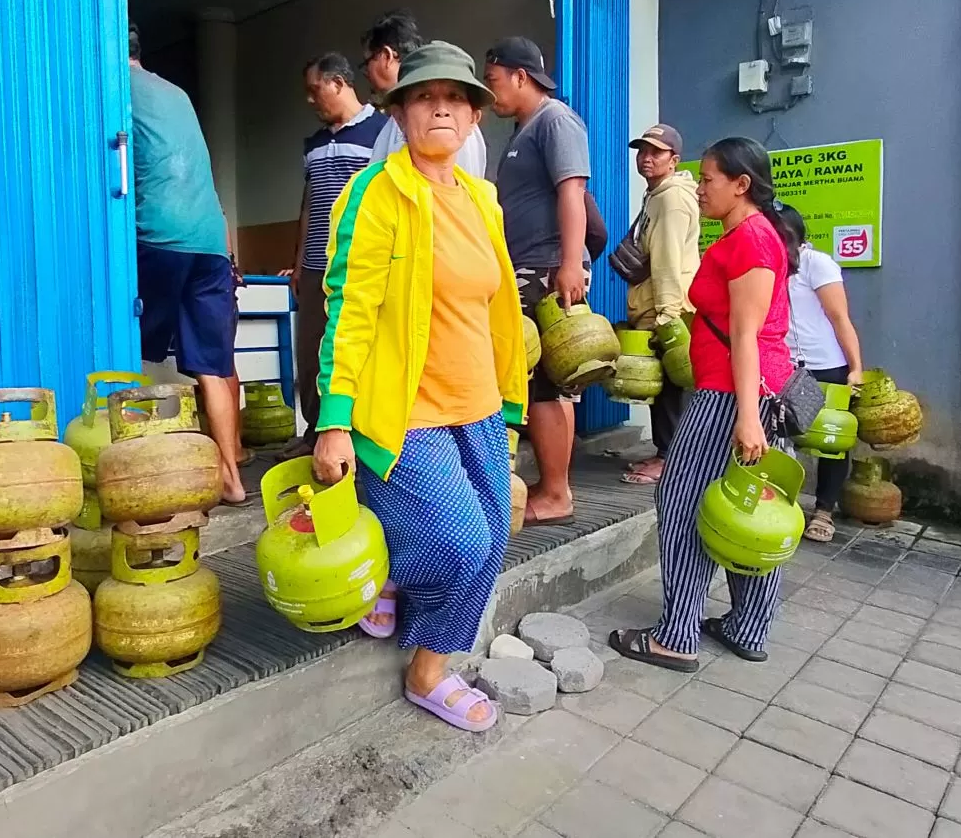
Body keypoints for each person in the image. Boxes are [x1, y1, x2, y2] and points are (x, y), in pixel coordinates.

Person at [311, 41, 527, 732]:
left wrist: (513, 402)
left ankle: (399, 579)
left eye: (459, 97)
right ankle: (428, 670)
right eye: (426, 95)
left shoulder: (483, 199)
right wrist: (334, 417)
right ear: (400, 111)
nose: (444, 106)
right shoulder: (376, 192)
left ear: (474, 119)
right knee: (462, 540)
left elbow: (497, 309)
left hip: (480, 405)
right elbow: (349, 307)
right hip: (404, 409)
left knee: (494, 537)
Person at [608, 137, 800, 671]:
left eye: (709, 178)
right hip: (747, 393)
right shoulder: (749, 235)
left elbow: (746, 335)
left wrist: (744, 417)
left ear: (742, 185)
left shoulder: (752, 242)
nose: (700, 187)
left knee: (681, 503)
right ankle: (747, 626)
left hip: (733, 396)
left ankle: (677, 636)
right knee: (746, 508)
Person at [128, 25, 246, 505]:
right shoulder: (177, 92)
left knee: (135, 352)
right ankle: (232, 478)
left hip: (159, 236)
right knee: (212, 367)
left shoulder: (112, 89)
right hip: (211, 242)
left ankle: (141, 472)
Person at [482, 36, 590, 525]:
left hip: (545, 268)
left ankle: (556, 493)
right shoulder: (523, 130)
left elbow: (573, 193)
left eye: (494, 81)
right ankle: (556, 486)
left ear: (520, 76)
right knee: (552, 384)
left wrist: (569, 263)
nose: (491, 92)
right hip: (530, 267)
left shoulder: (555, 120)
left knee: (544, 386)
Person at [278, 53, 388, 458]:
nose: (310, 100)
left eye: (315, 90)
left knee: (356, 351)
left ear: (339, 83)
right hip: (313, 269)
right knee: (311, 355)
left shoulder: (381, 133)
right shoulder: (314, 143)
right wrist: (299, 260)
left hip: (357, 265)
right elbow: (308, 205)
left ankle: (356, 437)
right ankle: (314, 435)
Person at [772, 207, 864, 543]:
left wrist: (855, 369)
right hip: (783, 364)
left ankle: (824, 510)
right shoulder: (768, 265)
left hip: (825, 365)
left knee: (831, 441)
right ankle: (782, 502)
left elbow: (840, 317)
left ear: (796, 237)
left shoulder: (817, 264)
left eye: (781, 235)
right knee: (778, 436)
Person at [618, 124, 701, 487]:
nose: (647, 158)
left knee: (669, 388)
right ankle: (665, 452)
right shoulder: (656, 195)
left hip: (668, 306)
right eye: (643, 151)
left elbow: (667, 261)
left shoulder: (671, 198)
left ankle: (671, 459)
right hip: (657, 303)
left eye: (657, 152)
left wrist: (666, 317)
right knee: (662, 389)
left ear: (674, 160)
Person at [360, 10, 488, 177]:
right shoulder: (396, 120)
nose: (441, 109)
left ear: (386, 56)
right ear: (400, 117)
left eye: (367, 63)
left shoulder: (446, 123)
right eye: (424, 97)